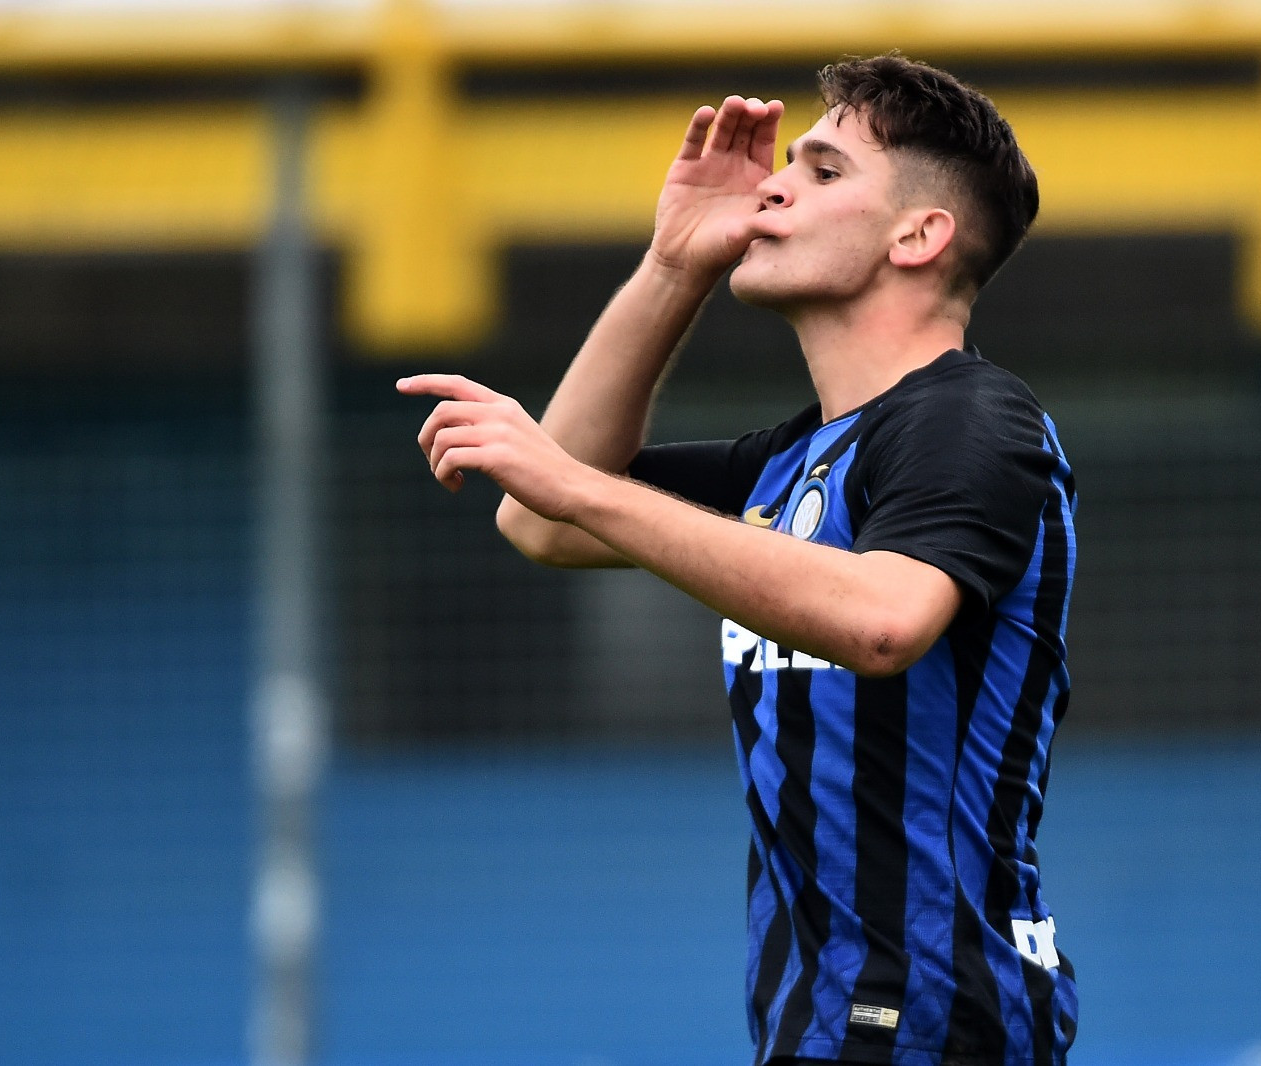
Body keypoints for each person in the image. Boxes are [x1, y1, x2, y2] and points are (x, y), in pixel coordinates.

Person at [398, 54, 1078, 1066]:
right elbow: (542, 523)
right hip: (825, 1021)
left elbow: (883, 620)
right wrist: (674, 265)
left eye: (824, 171)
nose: (773, 187)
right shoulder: (795, 460)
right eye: (788, 164)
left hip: (934, 1020)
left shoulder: (974, 418)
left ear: (918, 235)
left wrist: (577, 484)